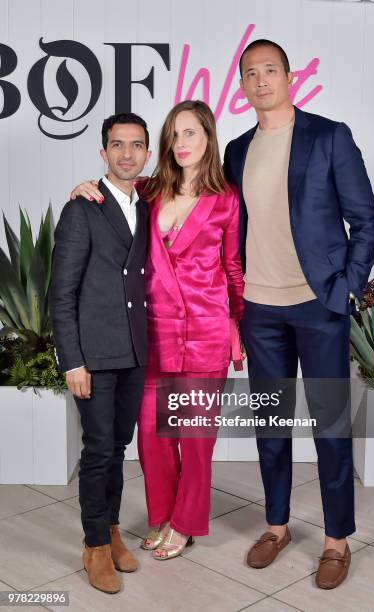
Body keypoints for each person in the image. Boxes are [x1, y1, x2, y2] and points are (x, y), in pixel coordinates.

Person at [223, 39, 374, 589]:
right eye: (251, 73)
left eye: (270, 70)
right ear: (242, 86)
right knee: (270, 425)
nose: (261, 80)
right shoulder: (238, 151)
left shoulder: (329, 136)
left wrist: (346, 291)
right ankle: (276, 525)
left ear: (289, 76)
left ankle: (337, 539)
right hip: (260, 310)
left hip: (319, 307)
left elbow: (366, 220)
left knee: (330, 426)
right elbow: (219, 222)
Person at [70, 100, 245, 560]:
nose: (182, 143)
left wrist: (237, 326)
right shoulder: (148, 191)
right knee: (151, 434)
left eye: (191, 133)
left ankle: (185, 524)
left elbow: (233, 268)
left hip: (206, 331)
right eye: (175, 134)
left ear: (208, 137)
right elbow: (111, 197)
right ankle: (164, 514)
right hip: (152, 332)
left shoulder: (226, 197)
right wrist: (84, 187)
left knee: (194, 436)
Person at [50, 113, 151, 593]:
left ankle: (112, 531)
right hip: (93, 354)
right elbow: (61, 293)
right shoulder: (82, 208)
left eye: (136, 146)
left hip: (135, 351)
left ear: (147, 154)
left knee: (118, 447)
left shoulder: (150, 204)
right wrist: (72, 360)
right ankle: (93, 546)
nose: (127, 154)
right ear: (103, 153)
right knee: (96, 452)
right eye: (117, 145)